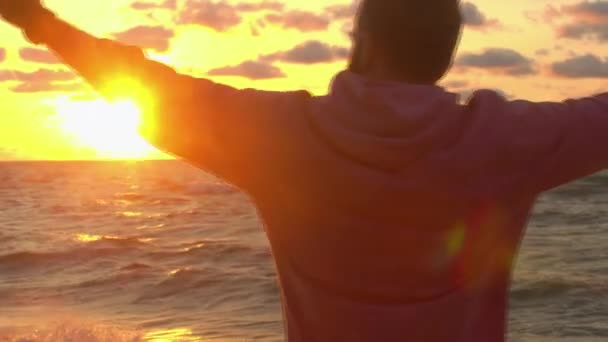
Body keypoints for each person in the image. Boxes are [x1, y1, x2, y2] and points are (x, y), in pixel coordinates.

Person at [1, 1, 607, 341]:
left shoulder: (281, 136)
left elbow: (149, 88)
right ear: (445, 55)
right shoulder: (506, 139)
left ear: (363, 41)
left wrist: (40, 22)